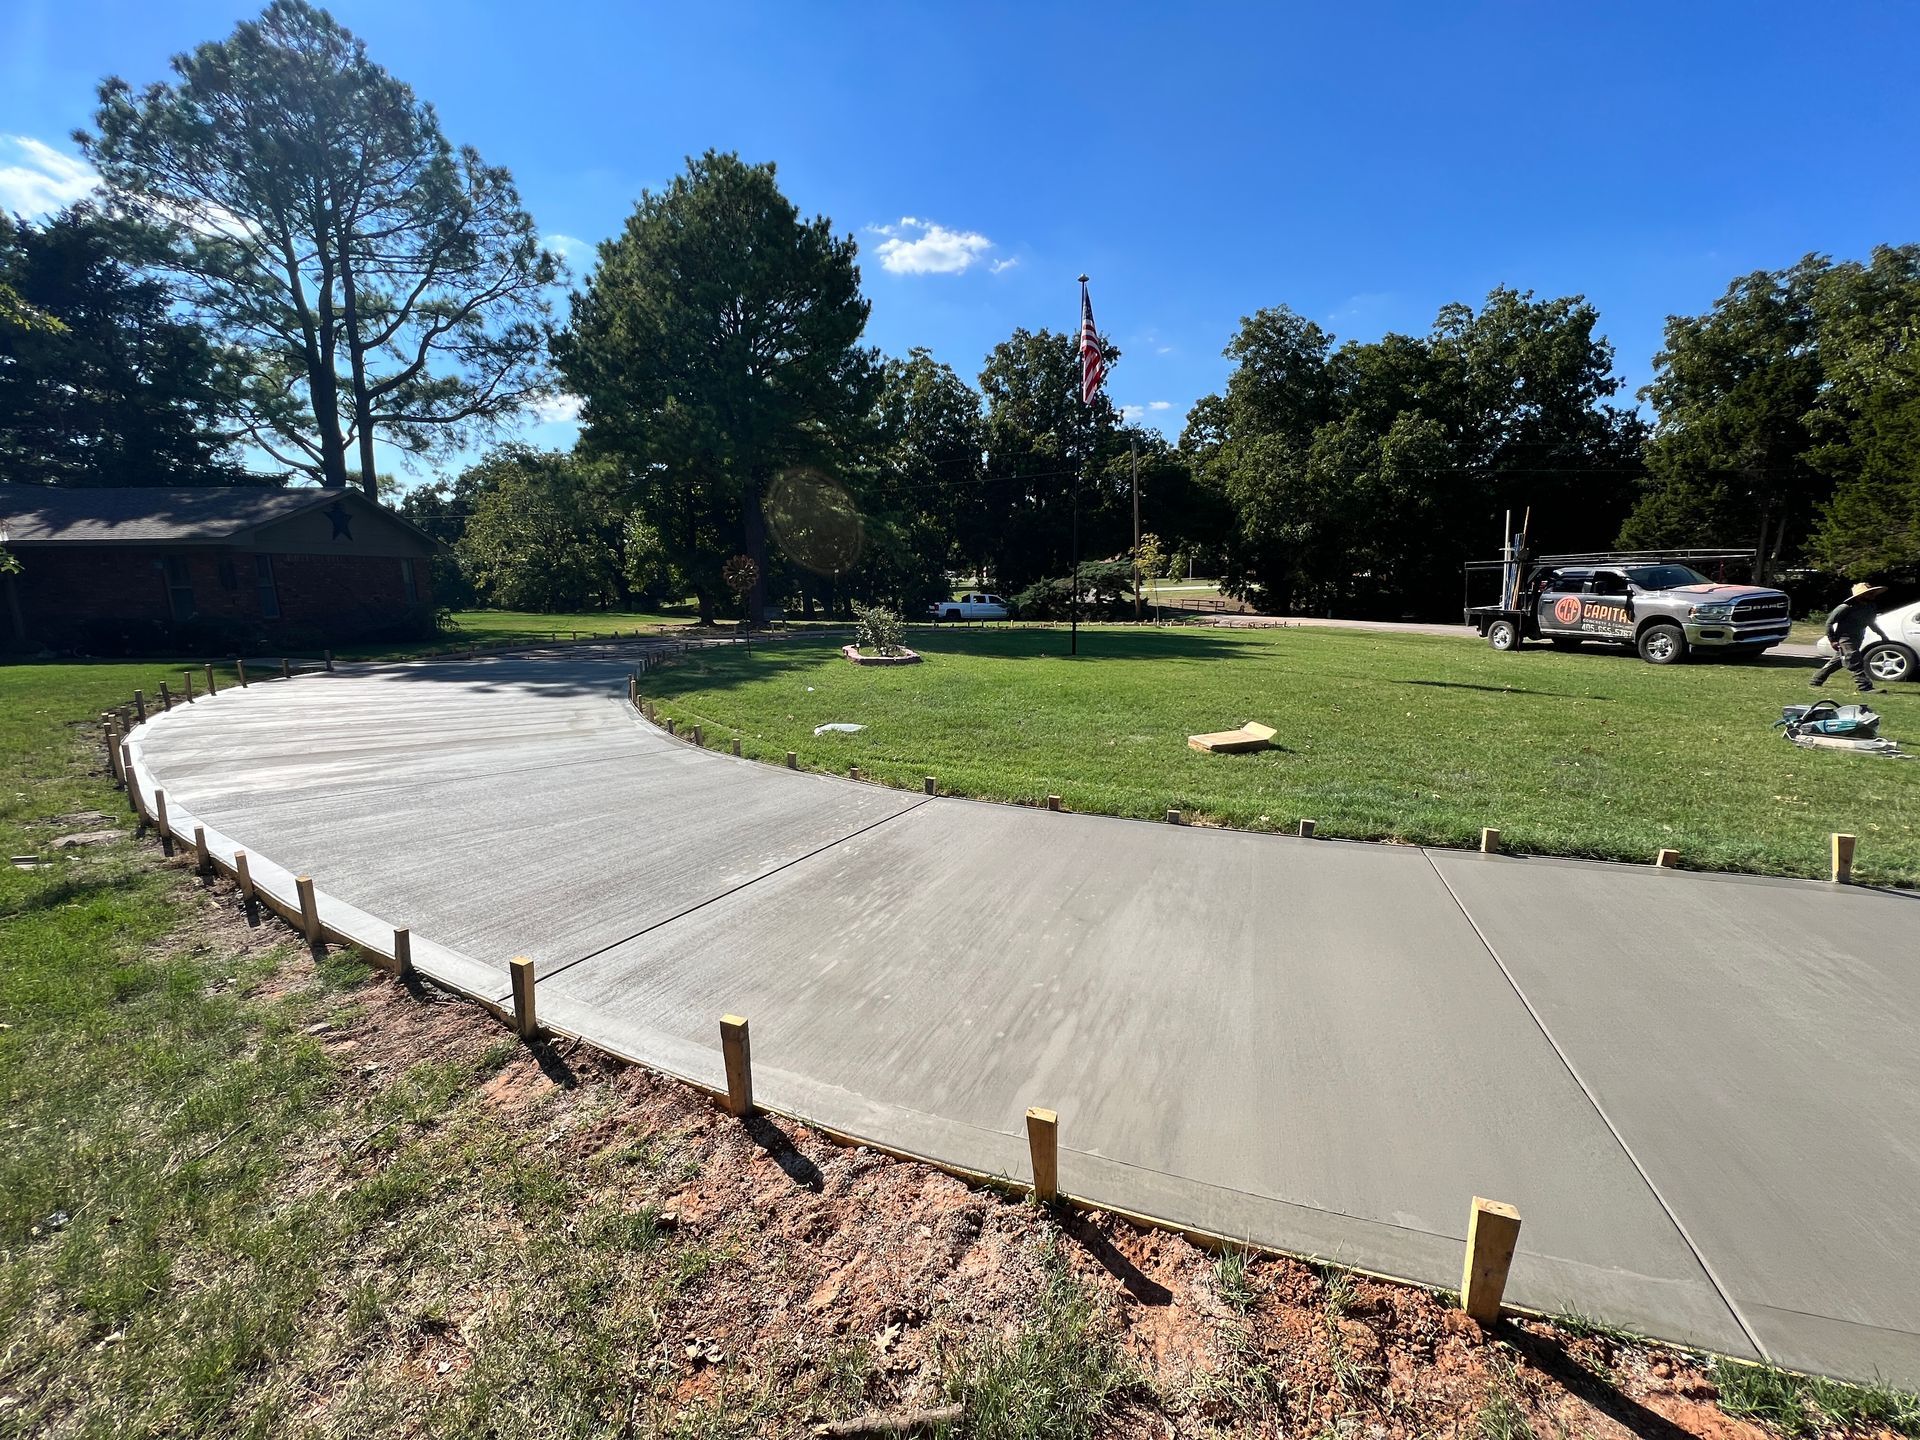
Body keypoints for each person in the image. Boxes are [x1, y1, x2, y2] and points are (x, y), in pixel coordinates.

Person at [1809, 582, 1891, 692]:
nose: (1872, 595)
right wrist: (1832, 640)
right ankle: (1864, 686)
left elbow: (1871, 623)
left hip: (1858, 638)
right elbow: (1829, 623)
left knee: (1837, 662)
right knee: (1854, 660)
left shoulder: (1870, 607)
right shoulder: (1846, 607)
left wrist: (1882, 635)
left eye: (1872, 593)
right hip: (1845, 639)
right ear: (1860, 595)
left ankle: (1816, 680)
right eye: (1869, 593)